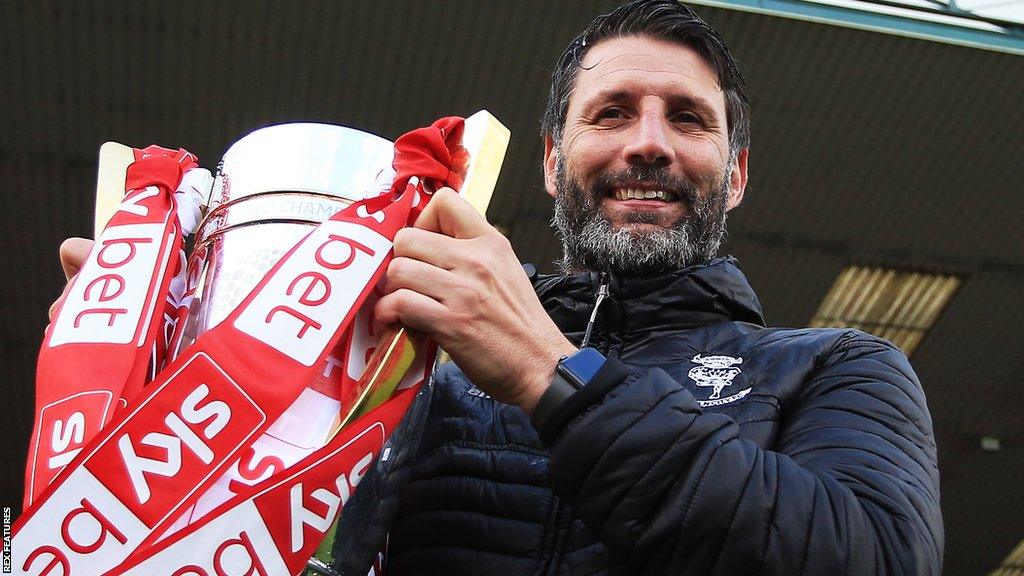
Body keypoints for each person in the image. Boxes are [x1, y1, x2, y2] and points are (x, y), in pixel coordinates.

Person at [50, 1, 942, 574]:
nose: (649, 143)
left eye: (688, 119)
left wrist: (551, 375)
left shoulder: (837, 367)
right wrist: (153, 365)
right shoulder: (414, 368)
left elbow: (872, 560)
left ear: (735, 173)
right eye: (611, 112)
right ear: (553, 163)